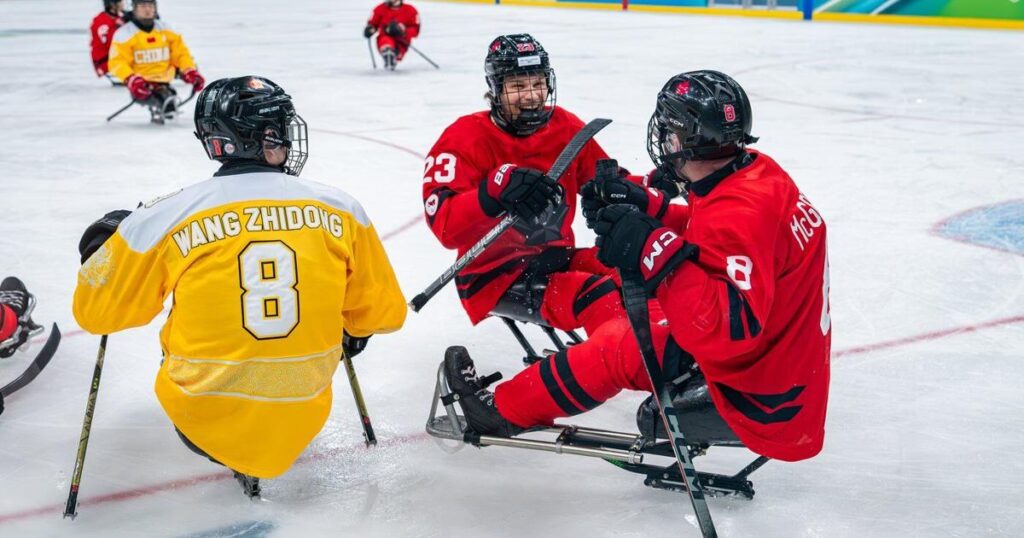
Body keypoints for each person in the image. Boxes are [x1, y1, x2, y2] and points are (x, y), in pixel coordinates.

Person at [444, 70, 832, 463]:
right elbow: (716, 235)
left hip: (763, 399)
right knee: (637, 319)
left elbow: (729, 330)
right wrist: (651, 208)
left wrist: (653, 248)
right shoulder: (755, 175)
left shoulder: (738, 212)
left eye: (668, 130)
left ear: (682, 140)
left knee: (618, 347)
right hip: (782, 369)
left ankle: (497, 413)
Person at [73, 76, 407, 494]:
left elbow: (97, 314)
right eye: (274, 130)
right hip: (306, 416)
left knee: (181, 324)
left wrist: (104, 252)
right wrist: (351, 331)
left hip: (199, 422)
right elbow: (384, 315)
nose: (284, 138)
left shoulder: (169, 215)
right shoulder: (341, 207)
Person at [422, 34, 671, 436]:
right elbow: (446, 227)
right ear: (495, 90)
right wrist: (491, 192)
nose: (531, 96)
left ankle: (659, 365)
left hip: (556, 259)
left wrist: (645, 187)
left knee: (643, 270)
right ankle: (609, 367)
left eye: (537, 84)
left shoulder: (567, 127)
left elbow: (607, 182)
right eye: (518, 87)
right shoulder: (463, 138)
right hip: (494, 273)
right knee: (600, 295)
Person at [108, 0, 204, 123]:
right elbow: (117, 62)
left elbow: (181, 54)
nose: (147, 9)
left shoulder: (166, 29)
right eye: (143, 6)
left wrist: (189, 70)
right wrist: (130, 79)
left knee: (168, 106)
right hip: (141, 85)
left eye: (150, 6)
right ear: (134, 9)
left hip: (165, 80)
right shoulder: (124, 34)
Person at [363, 0, 420, 71]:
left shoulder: (410, 10)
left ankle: (394, 55)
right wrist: (370, 29)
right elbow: (373, 23)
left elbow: (415, 29)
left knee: (397, 50)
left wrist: (402, 30)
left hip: (402, 41)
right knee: (385, 40)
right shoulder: (380, 8)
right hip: (384, 38)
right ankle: (388, 53)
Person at [89, 0, 125, 81]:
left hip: (114, 60)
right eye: (121, 2)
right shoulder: (101, 22)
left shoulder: (119, 18)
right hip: (105, 63)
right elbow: (112, 44)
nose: (123, 4)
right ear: (112, 4)